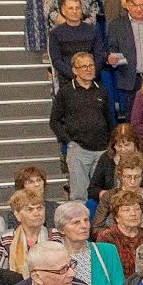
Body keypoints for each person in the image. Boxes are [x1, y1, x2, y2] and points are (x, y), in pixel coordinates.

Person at [51, 51, 113, 200]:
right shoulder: (65, 92)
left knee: (105, 194)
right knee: (79, 196)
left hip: (102, 150)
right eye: (83, 66)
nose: (88, 69)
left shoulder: (102, 90)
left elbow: (109, 118)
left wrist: (111, 143)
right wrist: (69, 142)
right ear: (74, 70)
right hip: (78, 150)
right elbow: (54, 121)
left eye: (91, 65)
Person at [52, 200, 125, 285]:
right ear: (62, 230)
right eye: (76, 222)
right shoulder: (52, 257)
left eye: (86, 220)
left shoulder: (107, 252)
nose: (84, 226)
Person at [96, 189, 143, 278]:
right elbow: (104, 271)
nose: (133, 214)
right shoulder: (107, 237)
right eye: (126, 210)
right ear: (116, 216)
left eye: (137, 209)